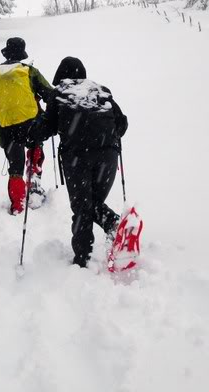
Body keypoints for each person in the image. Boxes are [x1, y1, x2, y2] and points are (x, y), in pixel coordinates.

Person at [32, 57, 128, 268]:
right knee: (91, 203)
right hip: (108, 155)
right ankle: (115, 227)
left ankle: (83, 259)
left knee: (83, 208)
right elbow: (122, 123)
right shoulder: (101, 90)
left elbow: (45, 129)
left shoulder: (60, 93)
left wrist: (33, 127)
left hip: (78, 157)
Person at [0, 37, 53, 215]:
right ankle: (34, 187)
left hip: (8, 128)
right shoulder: (29, 71)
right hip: (31, 124)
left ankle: (18, 205)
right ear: (22, 54)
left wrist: (1, 137)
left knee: (15, 167)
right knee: (35, 148)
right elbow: (50, 94)